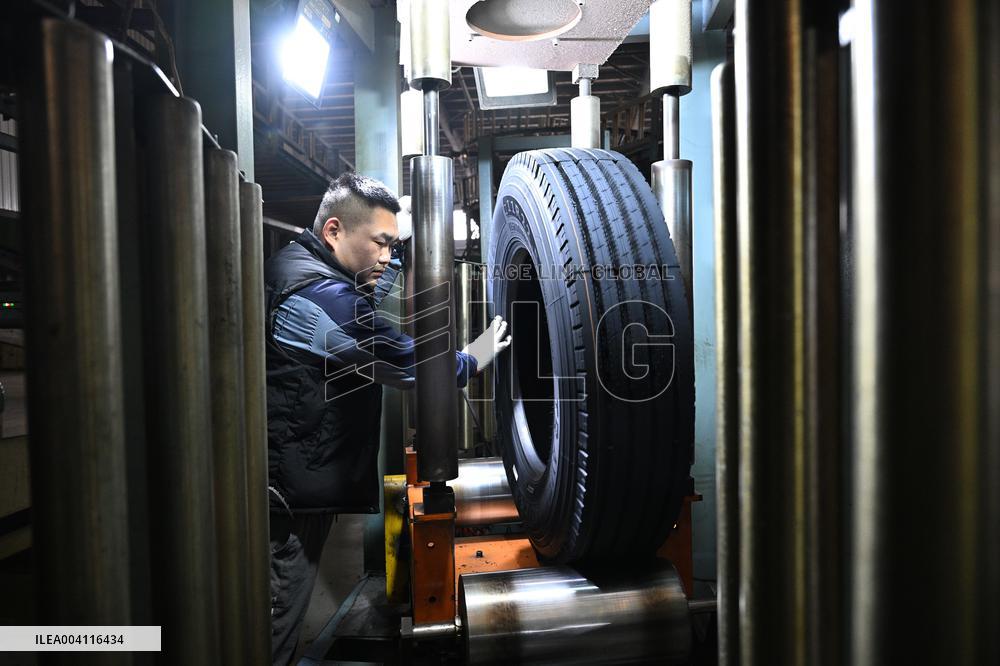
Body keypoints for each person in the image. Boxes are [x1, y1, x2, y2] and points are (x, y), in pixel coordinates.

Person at [263, 172, 511, 665]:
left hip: (289, 475)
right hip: (289, 498)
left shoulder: (298, 267)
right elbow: (405, 362)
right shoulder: (324, 299)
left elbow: (361, 302)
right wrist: (472, 357)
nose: (388, 257)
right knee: (275, 619)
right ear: (334, 231)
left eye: (393, 246)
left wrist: (390, 253)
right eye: (380, 243)